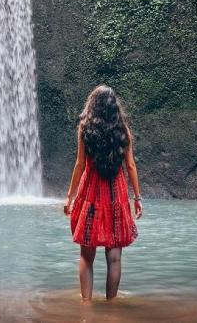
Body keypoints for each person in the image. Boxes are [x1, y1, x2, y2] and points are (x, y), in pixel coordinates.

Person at [63, 84, 142, 301]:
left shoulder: (85, 129)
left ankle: (86, 306)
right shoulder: (123, 131)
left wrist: (69, 197)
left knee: (86, 257)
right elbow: (131, 166)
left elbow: (79, 165)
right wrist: (137, 198)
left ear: (93, 106)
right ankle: (111, 305)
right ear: (114, 107)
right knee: (114, 258)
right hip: (116, 195)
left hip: (90, 195)